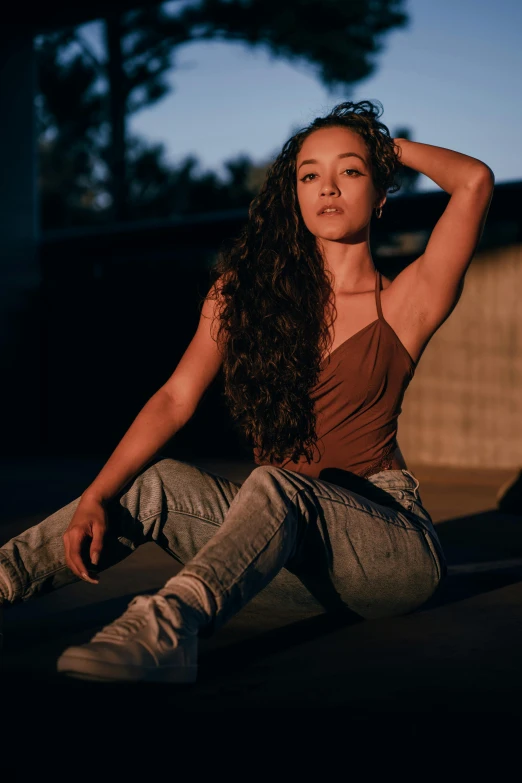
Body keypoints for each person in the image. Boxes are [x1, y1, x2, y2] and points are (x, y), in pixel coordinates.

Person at [0, 100, 494, 683]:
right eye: (309, 174)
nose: (328, 186)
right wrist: (98, 495)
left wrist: (382, 146)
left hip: (388, 553)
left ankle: (168, 624)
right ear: (293, 196)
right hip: (282, 563)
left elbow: (474, 182)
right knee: (152, 484)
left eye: (350, 172)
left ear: (381, 195)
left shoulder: (407, 303)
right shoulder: (243, 296)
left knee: (275, 484)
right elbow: (175, 398)